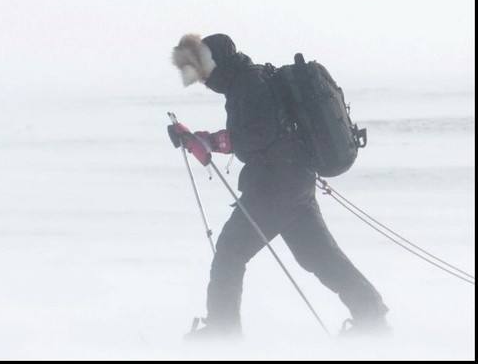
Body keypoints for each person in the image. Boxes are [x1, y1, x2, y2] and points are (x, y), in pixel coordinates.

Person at [167, 33, 390, 340]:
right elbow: (258, 134)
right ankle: (372, 317)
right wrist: (201, 141)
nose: (203, 78)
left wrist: (206, 142)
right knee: (318, 255)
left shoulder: (248, 84)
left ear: (217, 62)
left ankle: (222, 335)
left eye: (204, 69)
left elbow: (256, 136)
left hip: (276, 185)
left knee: (231, 250)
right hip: (292, 182)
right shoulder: (248, 81)